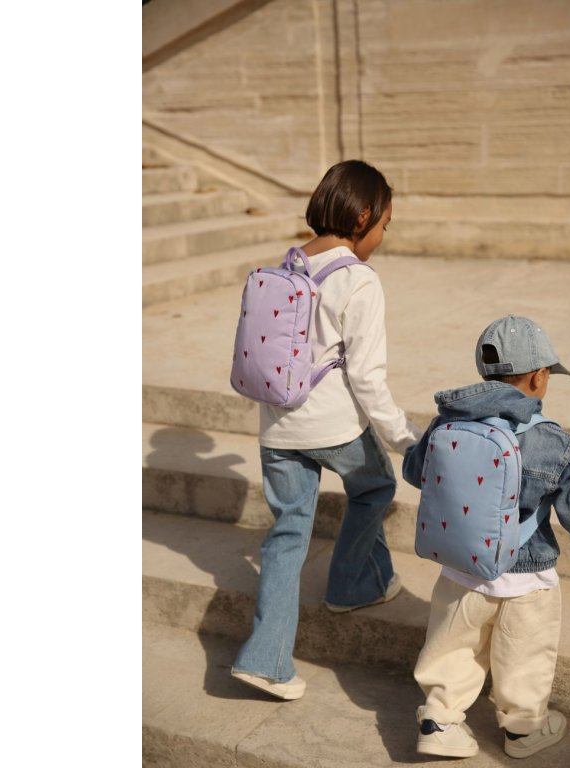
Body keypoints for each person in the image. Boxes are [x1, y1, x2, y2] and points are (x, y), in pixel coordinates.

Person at [402, 315, 570, 759]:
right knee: (524, 657)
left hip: (460, 566)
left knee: (451, 648)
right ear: (538, 376)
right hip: (526, 575)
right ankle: (523, 731)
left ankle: (438, 722)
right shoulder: (552, 441)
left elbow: (415, 471)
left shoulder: (445, 423)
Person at [231, 160, 421, 701]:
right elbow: (367, 377)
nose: (383, 235)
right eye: (384, 224)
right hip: (335, 426)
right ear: (363, 217)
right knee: (375, 487)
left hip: (277, 427)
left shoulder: (287, 265)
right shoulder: (358, 280)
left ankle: (266, 660)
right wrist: (405, 438)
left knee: (288, 534)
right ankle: (350, 584)